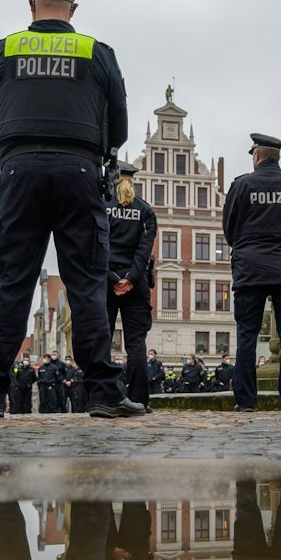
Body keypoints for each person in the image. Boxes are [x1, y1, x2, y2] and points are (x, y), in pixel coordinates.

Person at [0, 0, 142, 419]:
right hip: (80, 172)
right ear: (73, 10)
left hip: (19, 169)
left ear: (31, 5)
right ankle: (102, 393)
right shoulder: (96, 52)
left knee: (12, 285)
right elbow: (118, 121)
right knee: (85, 284)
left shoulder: (3, 50)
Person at [224, 132, 281, 412]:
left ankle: (246, 401)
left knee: (247, 335)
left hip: (250, 269)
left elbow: (229, 229)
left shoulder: (241, 186)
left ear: (258, 155)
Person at [104, 159, 158, 405]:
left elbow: (96, 246)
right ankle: (139, 400)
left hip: (106, 282)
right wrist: (131, 279)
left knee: (102, 339)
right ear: (132, 181)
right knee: (136, 344)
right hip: (136, 284)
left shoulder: (101, 205)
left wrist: (113, 278)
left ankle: (104, 398)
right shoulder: (145, 210)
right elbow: (143, 252)